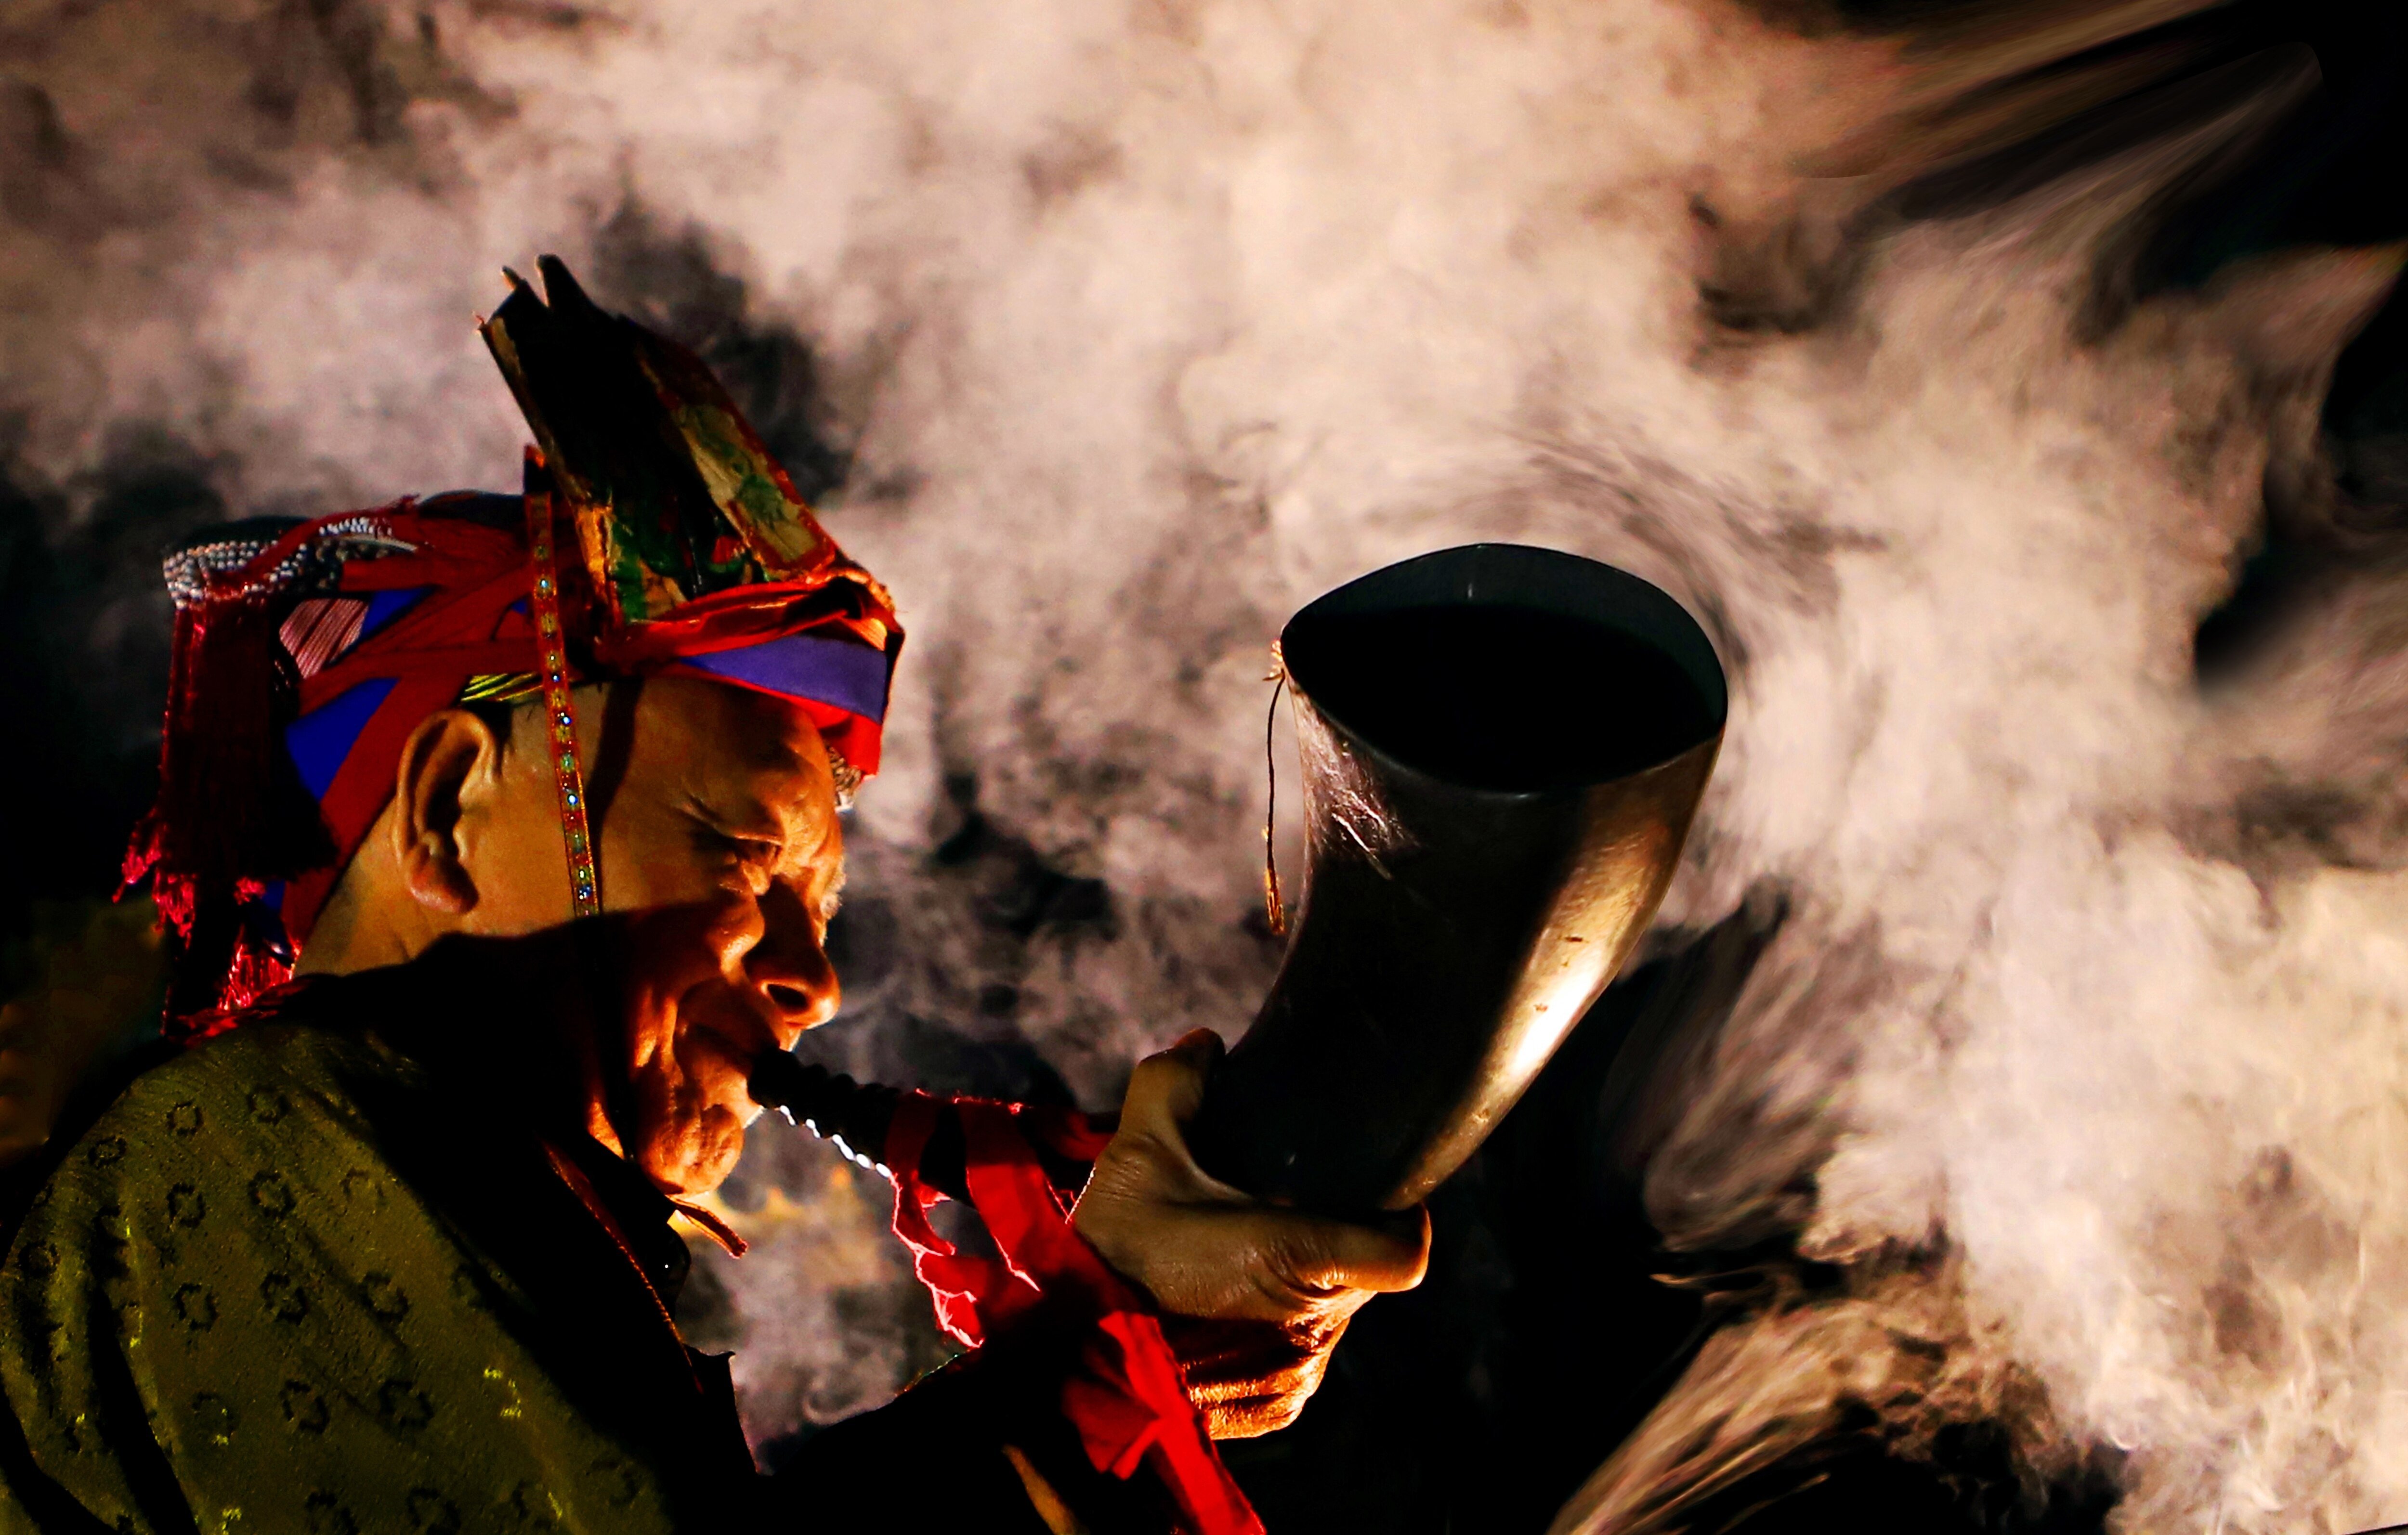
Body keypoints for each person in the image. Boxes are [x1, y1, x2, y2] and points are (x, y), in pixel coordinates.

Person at [0, 260, 1427, 1534]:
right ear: (442, 810)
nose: (820, 981)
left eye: (824, 898)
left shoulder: (436, 1213)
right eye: (746, 856)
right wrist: (1083, 1371)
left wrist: (1103, 1359)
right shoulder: (255, 1147)